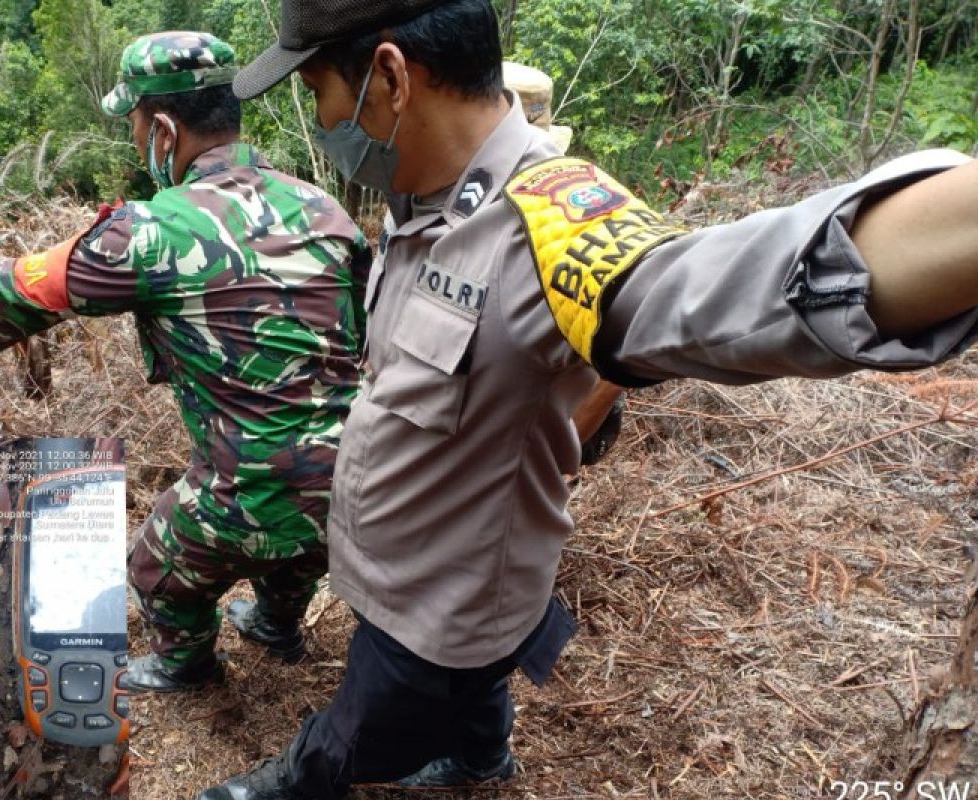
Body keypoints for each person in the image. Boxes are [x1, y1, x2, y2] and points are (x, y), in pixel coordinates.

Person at [194, 1, 978, 798]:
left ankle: (293, 782)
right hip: (423, 565)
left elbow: (700, 289)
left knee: (349, 739)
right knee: (480, 698)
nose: (325, 121)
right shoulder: (424, 194)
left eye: (322, 90)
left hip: (437, 606)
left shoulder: (549, 219)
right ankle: (481, 757)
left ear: (391, 78)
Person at [0, 32, 372, 693]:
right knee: (296, 525)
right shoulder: (326, 211)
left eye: (131, 124)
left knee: (154, 562)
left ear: (160, 128)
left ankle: (188, 665)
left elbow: (24, 286)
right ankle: (276, 623)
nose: (132, 138)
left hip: (249, 494)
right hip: (353, 492)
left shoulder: (154, 230)